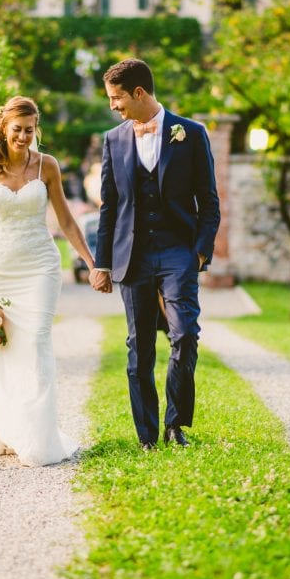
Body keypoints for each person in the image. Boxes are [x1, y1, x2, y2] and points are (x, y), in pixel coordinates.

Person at [0, 96, 96, 467]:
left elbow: (68, 221)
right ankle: (9, 429)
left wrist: (91, 262)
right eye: (17, 130)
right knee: (6, 351)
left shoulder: (47, 167)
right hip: (2, 269)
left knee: (37, 342)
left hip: (40, 266)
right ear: (3, 129)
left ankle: (38, 437)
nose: (23, 137)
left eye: (29, 130)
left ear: (36, 130)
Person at [90, 59, 220, 451]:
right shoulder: (113, 140)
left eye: (117, 98)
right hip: (132, 257)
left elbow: (209, 202)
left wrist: (199, 253)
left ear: (139, 93)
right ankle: (146, 435)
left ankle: (175, 424)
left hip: (179, 252)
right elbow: (108, 206)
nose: (113, 106)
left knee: (185, 335)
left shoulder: (192, 134)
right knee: (139, 345)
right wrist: (102, 263)